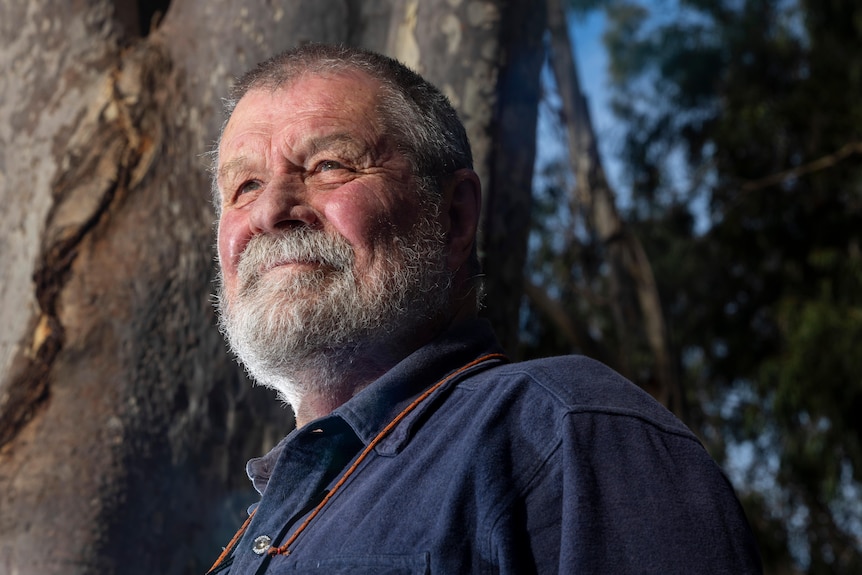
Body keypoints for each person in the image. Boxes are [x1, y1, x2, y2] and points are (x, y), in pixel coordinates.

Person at [207, 43, 761, 574]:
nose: (272, 211)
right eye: (246, 185)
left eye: (329, 165)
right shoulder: (259, 528)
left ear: (453, 217)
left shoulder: (560, 432)